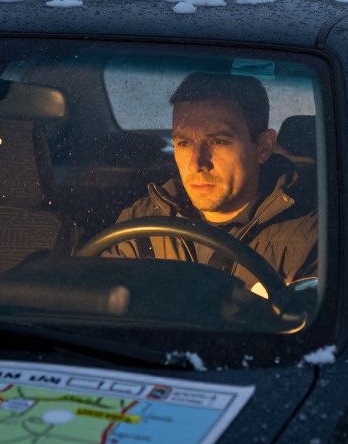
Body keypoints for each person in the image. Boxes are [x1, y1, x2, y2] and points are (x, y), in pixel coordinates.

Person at [105, 72, 317, 298]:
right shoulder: (140, 223)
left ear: (263, 147)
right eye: (184, 143)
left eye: (218, 141)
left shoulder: (310, 238)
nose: (197, 163)